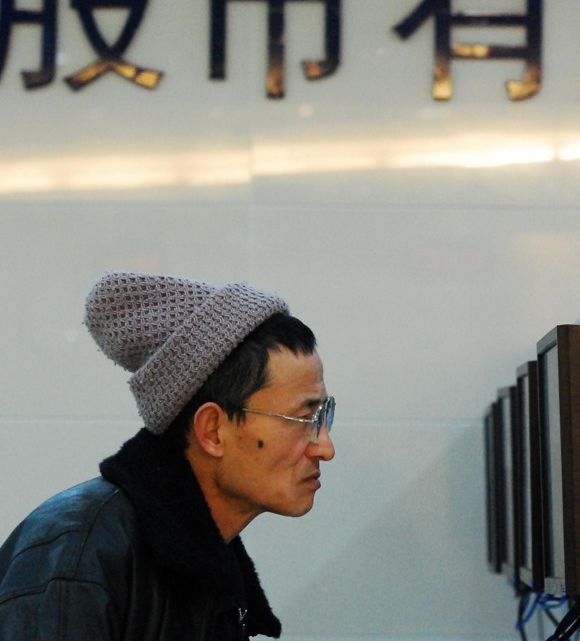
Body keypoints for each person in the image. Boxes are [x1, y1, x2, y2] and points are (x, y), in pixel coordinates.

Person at [0, 271, 336, 639]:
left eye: (324, 415)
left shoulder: (207, 565)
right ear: (212, 430)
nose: (325, 447)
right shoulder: (77, 558)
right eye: (303, 419)